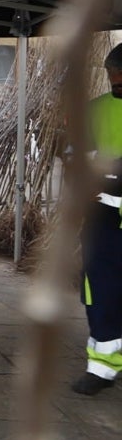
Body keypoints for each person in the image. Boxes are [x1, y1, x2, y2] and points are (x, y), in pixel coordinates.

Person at [74, 43, 122, 396]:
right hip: (103, 217)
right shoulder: (93, 111)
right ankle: (102, 368)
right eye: (111, 76)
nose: (115, 82)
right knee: (100, 294)